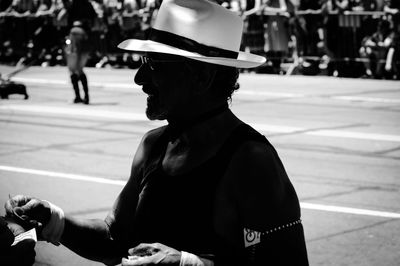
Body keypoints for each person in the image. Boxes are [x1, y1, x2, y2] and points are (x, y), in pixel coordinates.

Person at [4, 0, 309, 265]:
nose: (139, 78)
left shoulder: (252, 161)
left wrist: (190, 263)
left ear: (202, 76)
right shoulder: (154, 145)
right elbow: (116, 237)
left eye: (154, 64)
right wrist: (53, 220)